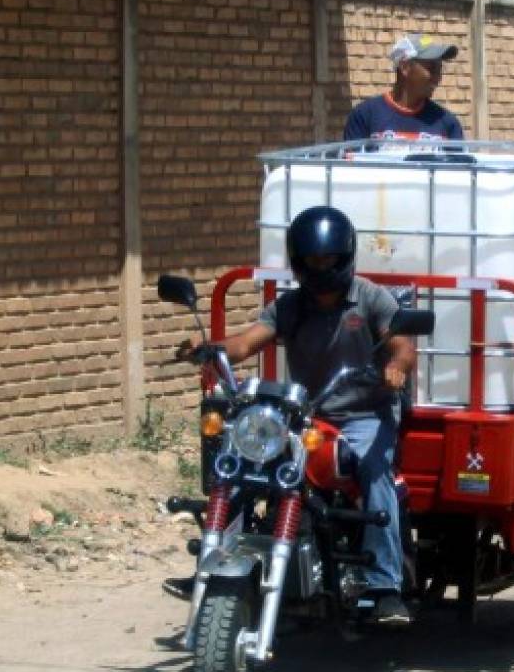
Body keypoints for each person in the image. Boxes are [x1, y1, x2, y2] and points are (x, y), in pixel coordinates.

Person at [178, 206, 416, 625]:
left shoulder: (371, 297)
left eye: (327, 259)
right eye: (310, 260)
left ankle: (384, 586)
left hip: (365, 414)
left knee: (376, 472)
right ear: (298, 261)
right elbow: (246, 343)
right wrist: (208, 347)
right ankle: (214, 566)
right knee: (239, 469)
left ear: (344, 257)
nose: (319, 267)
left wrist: (396, 365)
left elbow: (401, 343)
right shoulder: (290, 306)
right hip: (308, 414)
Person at [344, 33, 464, 142]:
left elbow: (458, 165)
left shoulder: (448, 123)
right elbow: (351, 164)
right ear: (405, 67)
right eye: (431, 68)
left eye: (440, 70)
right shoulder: (364, 116)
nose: (438, 77)